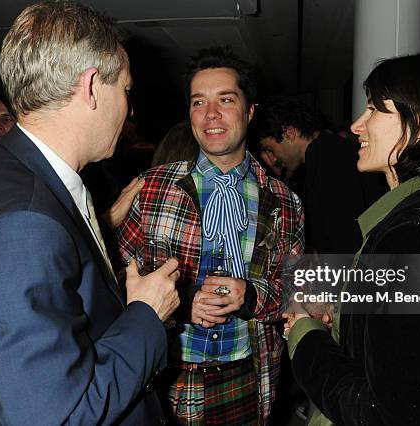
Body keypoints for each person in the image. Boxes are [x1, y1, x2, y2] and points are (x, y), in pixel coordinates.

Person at [0, 2, 180, 425]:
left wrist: (98, 226)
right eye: (125, 89)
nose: (130, 108)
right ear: (90, 88)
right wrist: (146, 313)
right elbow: (61, 415)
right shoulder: (23, 225)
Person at [284, 51, 420, 425]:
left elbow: (385, 415)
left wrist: (304, 334)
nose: (357, 125)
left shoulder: (412, 238)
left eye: (373, 109)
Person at [116, 46, 305, 425]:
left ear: (250, 112)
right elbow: (115, 279)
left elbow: (295, 291)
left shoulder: (285, 201)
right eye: (199, 102)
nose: (211, 114)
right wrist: (181, 301)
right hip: (166, 372)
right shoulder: (153, 187)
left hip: (250, 376)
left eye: (226, 100)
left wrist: (249, 294)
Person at [256, 96, 386, 254]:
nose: (274, 158)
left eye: (270, 148)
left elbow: (343, 237)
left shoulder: (328, 158)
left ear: (289, 133)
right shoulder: (327, 152)